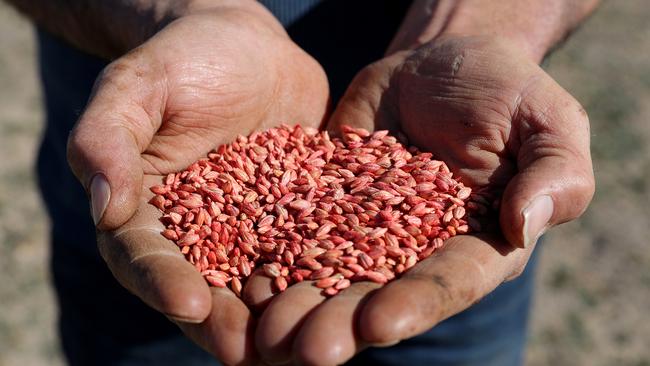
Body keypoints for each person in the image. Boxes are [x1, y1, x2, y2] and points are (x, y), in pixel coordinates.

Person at [7, 0, 597, 365]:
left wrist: (485, 18)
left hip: (467, 183)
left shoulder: (434, 195)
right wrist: (175, 8)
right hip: (159, 152)